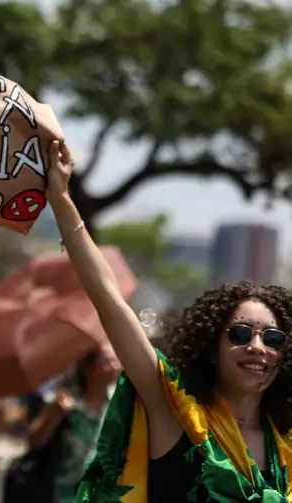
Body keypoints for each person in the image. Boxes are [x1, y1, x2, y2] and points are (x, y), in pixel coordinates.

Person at [43, 139, 292, 502]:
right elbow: (109, 301)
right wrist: (61, 199)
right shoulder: (175, 412)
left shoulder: (284, 442)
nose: (258, 347)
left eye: (273, 338)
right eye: (240, 334)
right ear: (212, 349)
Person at [23, 345, 120, 503]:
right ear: (87, 367)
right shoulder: (65, 402)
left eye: (116, 361)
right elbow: (34, 442)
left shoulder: (118, 407)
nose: (115, 367)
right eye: (107, 362)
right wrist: (54, 415)